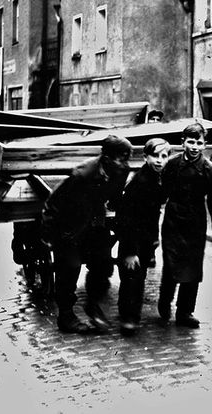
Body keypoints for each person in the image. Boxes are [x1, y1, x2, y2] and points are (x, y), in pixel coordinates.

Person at [41, 135, 131, 334]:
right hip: (69, 227)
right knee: (69, 268)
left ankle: (93, 303)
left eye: (127, 158)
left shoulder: (122, 170)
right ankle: (65, 316)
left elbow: (115, 198)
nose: (125, 162)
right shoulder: (82, 174)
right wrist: (47, 236)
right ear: (106, 158)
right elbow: (53, 203)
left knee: (104, 264)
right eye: (121, 158)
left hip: (94, 224)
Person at [158, 122, 212, 328]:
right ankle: (165, 300)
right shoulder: (172, 165)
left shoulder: (208, 170)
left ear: (205, 145)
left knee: (192, 267)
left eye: (199, 143)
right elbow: (161, 193)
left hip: (195, 223)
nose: (194, 147)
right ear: (183, 143)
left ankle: (185, 311)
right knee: (171, 264)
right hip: (173, 220)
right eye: (190, 142)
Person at [114, 138, 171, 335]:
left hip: (145, 241)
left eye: (164, 157)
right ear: (145, 157)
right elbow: (125, 218)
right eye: (155, 156)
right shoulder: (139, 182)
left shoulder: (157, 179)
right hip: (132, 241)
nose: (159, 161)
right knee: (133, 279)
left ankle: (126, 312)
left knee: (137, 277)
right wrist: (130, 251)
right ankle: (129, 319)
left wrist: (154, 241)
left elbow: (154, 213)